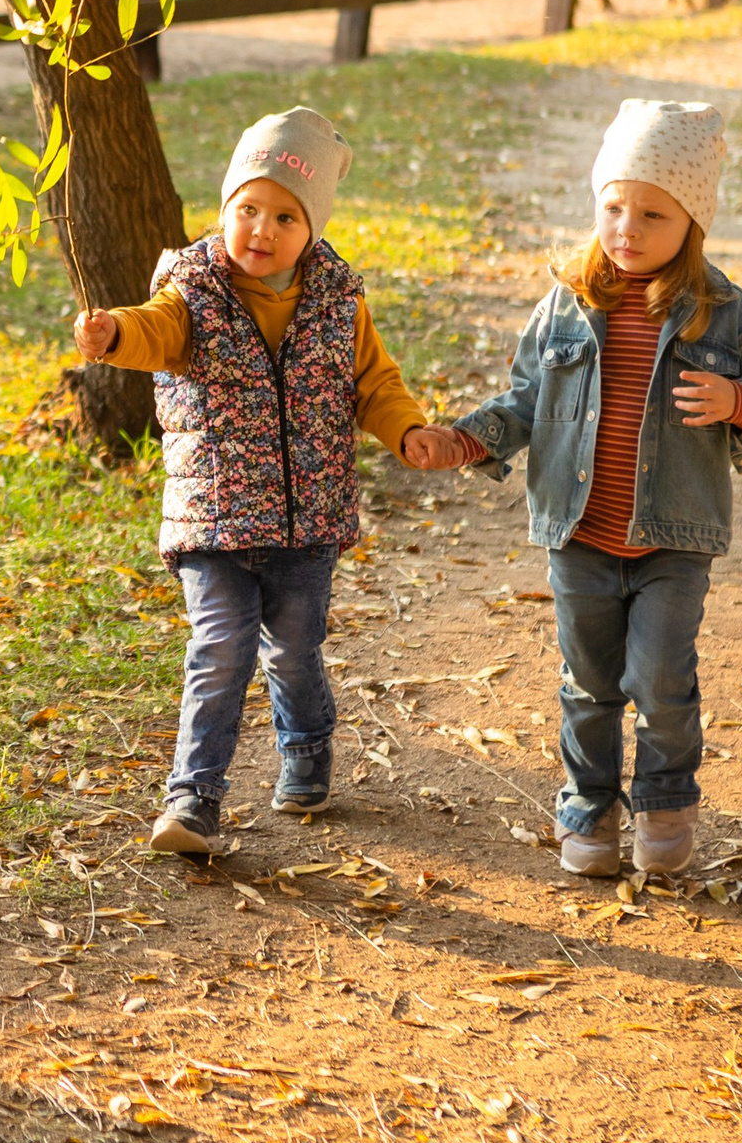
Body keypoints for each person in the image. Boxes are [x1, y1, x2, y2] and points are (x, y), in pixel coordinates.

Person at [73, 107, 463, 855]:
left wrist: (408, 432)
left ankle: (308, 744)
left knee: (293, 647)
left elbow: (375, 383)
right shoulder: (191, 290)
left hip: (306, 521)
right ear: (226, 208)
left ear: (312, 228)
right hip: (215, 518)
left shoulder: (337, 300)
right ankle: (192, 802)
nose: (260, 227)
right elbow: (154, 329)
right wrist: (113, 332)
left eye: (284, 214)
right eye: (247, 207)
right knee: (221, 649)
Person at [428, 100, 742, 876]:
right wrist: (467, 438)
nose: (627, 227)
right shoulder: (567, 301)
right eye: (613, 206)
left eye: (652, 213)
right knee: (589, 683)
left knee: (661, 677)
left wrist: (739, 402)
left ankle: (664, 800)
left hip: (673, 537)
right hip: (581, 535)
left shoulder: (725, 316)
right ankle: (589, 807)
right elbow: (526, 398)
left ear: (692, 222)